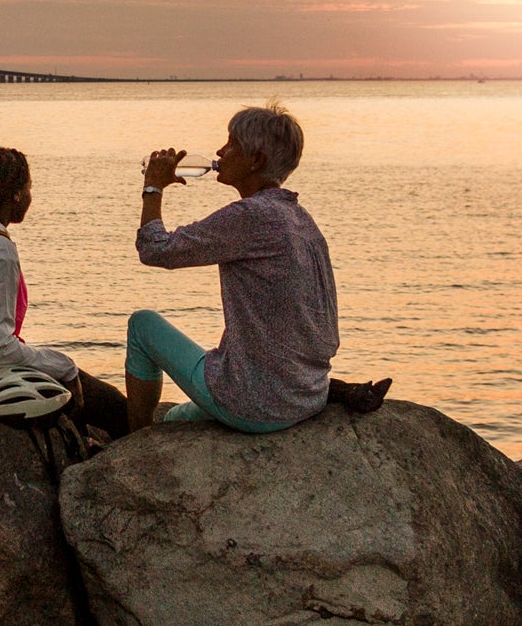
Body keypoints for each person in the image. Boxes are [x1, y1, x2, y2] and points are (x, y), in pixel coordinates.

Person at [127, 103, 388, 433]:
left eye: (231, 143)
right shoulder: (301, 220)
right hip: (307, 395)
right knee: (174, 417)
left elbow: (154, 249)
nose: (220, 151)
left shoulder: (249, 216)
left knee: (142, 326)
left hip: (255, 404)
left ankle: (130, 441)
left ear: (257, 160)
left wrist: (153, 186)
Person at [0, 144, 130, 438]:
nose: (31, 196)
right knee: (114, 408)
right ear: (16, 195)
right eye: (29, 187)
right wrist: (65, 366)